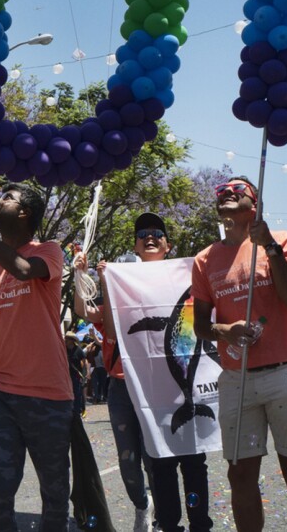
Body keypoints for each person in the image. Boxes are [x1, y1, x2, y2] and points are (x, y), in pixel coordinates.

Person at [190, 177, 287, 532]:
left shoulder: (280, 241)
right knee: (240, 474)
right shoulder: (204, 260)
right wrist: (224, 331)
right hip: (237, 379)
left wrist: (271, 249)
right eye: (221, 192)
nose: (227, 193)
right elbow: (201, 326)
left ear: (255, 203)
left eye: (238, 190)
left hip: (286, 375)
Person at [77, 212, 207, 532]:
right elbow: (87, 313)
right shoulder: (120, 289)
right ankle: (151, 510)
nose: (150, 237)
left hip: (170, 384)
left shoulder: (183, 281)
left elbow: (194, 328)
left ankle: (185, 522)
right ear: (135, 247)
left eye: (157, 233)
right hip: (124, 386)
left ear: (168, 245)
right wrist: (83, 276)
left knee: (177, 458)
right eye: (142, 233)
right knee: (135, 461)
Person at [0, 183, 72, 532]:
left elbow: (22, 269)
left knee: (54, 494)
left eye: (6, 197)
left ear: (24, 213)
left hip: (49, 395)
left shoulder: (49, 251)